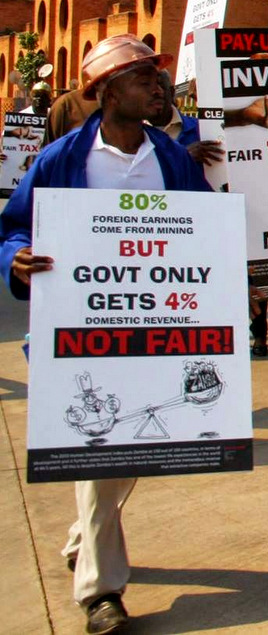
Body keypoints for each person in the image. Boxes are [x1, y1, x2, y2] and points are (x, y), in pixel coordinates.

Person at [0, 35, 211, 635]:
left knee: (134, 450)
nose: (159, 87)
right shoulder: (62, 159)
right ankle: (101, 592)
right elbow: (13, 228)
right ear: (108, 91)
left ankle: (83, 540)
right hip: (80, 337)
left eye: (159, 77)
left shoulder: (171, 159)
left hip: (156, 330)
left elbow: (198, 231)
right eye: (145, 78)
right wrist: (17, 258)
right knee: (101, 447)